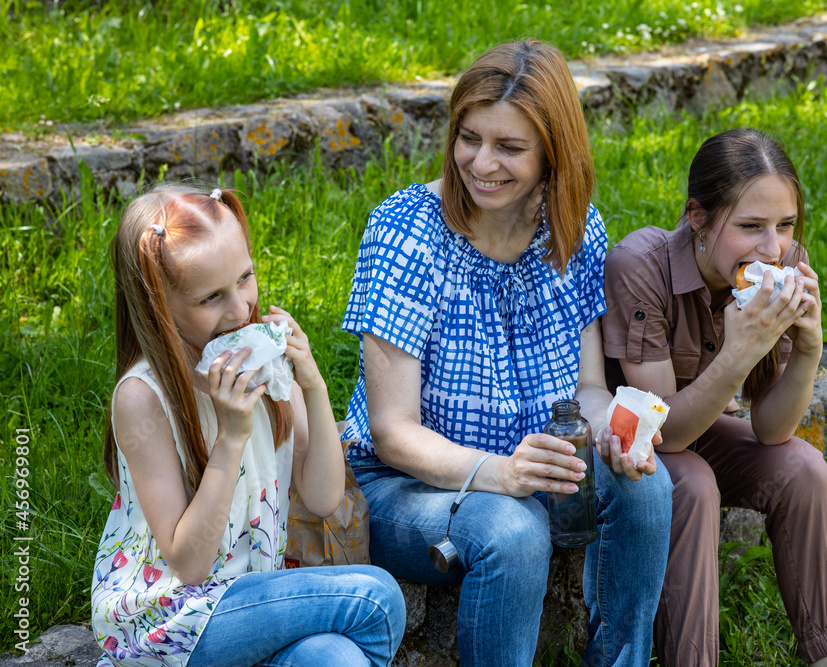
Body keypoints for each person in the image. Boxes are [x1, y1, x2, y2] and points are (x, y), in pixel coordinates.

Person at [341, 40, 672, 666]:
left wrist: (614, 433)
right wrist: (503, 476)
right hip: (404, 489)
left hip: (534, 472)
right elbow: (391, 433)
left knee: (649, 489)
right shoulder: (407, 233)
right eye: (470, 138)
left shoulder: (573, 229)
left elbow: (589, 389)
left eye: (509, 148)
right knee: (513, 531)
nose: (481, 163)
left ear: (554, 155)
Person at [91, 184, 405, 667]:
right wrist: (232, 435)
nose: (239, 309)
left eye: (245, 278)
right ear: (160, 306)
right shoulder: (144, 397)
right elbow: (189, 563)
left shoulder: (265, 363)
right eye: (210, 297)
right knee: (375, 596)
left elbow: (322, 497)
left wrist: (313, 386)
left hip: (254, 597)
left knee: (335, 657)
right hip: (170, 620)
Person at [602, 128, 827, 666]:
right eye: (750, 227)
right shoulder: (640, 266)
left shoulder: (782, 266)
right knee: (691, 482)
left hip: (699, 428)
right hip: (626, 443)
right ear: (697, 217)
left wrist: (808, 349)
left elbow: (772, 431)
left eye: (785, 225)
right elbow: (661, 435)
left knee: (804, 468)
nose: (773, 247)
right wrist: (740, 350)